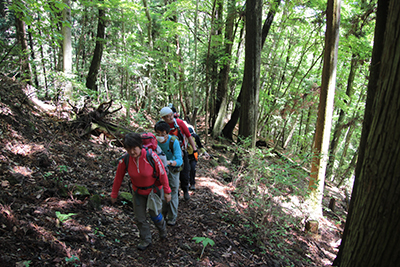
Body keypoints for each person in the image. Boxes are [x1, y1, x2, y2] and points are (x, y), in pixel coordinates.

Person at [111, 133, 171, 251]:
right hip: (137, 192)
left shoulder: (151, 156)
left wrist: (167, 191)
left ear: (140, 146)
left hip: (153, 192)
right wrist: (114, 194)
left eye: (134, 149)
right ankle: (146, 240)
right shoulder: (126, 159)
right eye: (129, 149)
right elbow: (118, 177)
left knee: (155, 216)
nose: (132, 152)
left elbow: (162, 173)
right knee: (140, 218)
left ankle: (162, 229)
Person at [159, 107, 198, 200]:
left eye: (171, 115)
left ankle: (185, 190)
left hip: (182, 151)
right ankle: (173, 192)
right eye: (168, 117)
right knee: (169, 172)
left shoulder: (179, 123)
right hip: (167, 152)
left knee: (184, 172)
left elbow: (189, 136)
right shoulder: (162, 126)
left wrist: (194, 149)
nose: (171, 117)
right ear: (163, 118)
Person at [154, 121, 183, 226]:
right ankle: (162, 214)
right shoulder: (154, 141)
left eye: (163, 134)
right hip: (159, 170)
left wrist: (168, 162)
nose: (161, 137)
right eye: (158, 134)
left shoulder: (173, 142)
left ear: (168, 133)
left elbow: (180, 160)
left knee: (173, 192)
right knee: (161, 191)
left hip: (172, 170)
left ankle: (172, 217)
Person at [184, 121, 210, 191]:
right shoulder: (183, 138)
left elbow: (200, 146)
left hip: (194, 155)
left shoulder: (196, 137)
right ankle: (187, 183)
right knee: (187, 170)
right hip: (186, 155)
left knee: (193, 169)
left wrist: (205, 152)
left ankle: (192, 184)